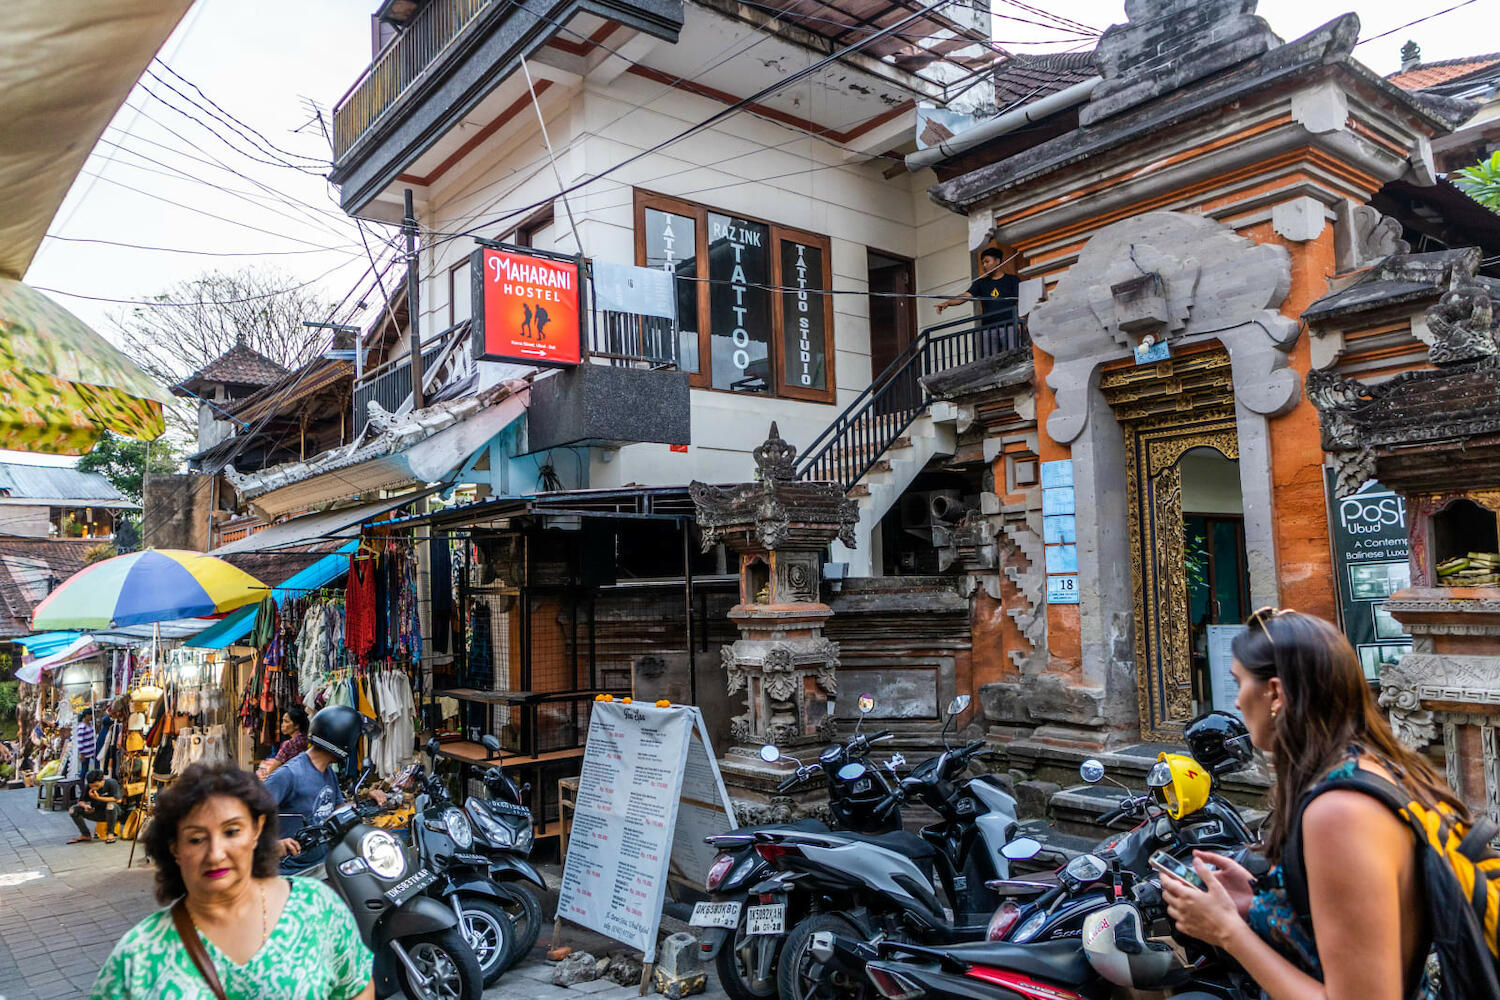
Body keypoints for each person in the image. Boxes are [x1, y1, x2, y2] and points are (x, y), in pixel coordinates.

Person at [1159, 609, 1457, 1000]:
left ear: (1276, 694)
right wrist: (1259, 900)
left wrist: (1225, 931)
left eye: (1240, 683)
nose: (1235, 703)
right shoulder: (1371, 766)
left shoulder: (1340, 811)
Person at [90, 761, 373, 999]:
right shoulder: (139, 956)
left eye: (231, 831)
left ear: (256, 830)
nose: (215, 854)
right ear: (175, 848)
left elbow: (356, 987)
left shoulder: (316, 908)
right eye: (197, 838)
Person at [263, 705, 366, 874]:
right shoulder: (288, 774)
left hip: (323, 865)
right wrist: (272, 845)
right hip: (292, 873)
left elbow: (338, 809)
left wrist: (369, 799)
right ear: (345, 741)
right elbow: (249, 817)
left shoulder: (328, 772)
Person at [935, 247, 1019, 351]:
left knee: (1014, 356)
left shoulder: (1012, 280)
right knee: (989, 361)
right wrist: (948, 303)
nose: (984, 265)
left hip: (1009, 326)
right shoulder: (980, 283)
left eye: (987, 262)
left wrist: (1022, 320)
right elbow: (966, 296)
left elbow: (1020, 300)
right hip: (988, 328)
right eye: (983, 263)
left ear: (997, 261)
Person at [69, 768, 122, 844]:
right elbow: (81, 801)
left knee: (110, 805)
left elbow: (118, 799)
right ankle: (85, 834)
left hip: (114, 813)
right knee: (73, 810)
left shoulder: (111, 783)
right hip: (98, 812)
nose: (94, 788)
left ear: (103, 780)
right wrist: (85, 806)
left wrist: (98, 798)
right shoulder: (88, 787)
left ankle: (110, 833)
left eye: (96, 786)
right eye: (92, 786)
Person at [256, 706, 309, 780]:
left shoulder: (289, 744)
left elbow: (273, 768)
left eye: (286, 721)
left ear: (296, 725)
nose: (282, 724)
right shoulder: (305, 739)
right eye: (283, 721)